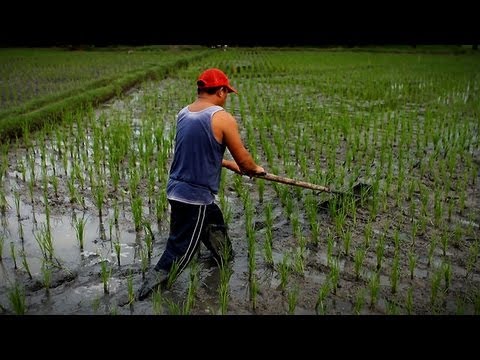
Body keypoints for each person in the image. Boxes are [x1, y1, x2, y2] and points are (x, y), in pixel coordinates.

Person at [137, 68, 265, 300]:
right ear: (222, 90)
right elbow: (245, 162)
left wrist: (227, 164)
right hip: (193, 197)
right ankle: (146, 294)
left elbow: (197, 151)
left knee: (214, 221)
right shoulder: (222, 117)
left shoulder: (184, 113)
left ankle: (223, 257)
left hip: (178, 189)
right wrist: (254, 169)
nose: (227, 98)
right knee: (182, 250)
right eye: (227, 92)